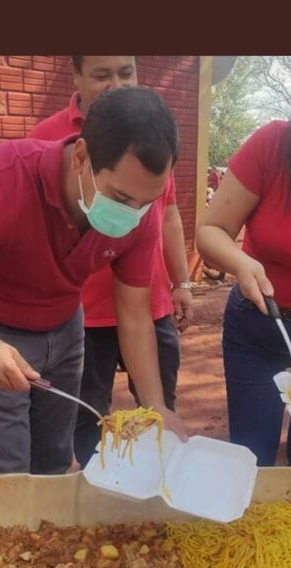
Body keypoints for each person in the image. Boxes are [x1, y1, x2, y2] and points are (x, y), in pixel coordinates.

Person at [0, 86, 187, 476]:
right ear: (81, 157)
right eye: (121, 198)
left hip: (64, 325)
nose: (134, 214)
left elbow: (133, 314)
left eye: (148, 202)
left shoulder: (141, 215)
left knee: (55, 461)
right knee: (5, 472)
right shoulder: (0, 180)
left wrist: (156, 405)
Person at [32, 56, 193, 467]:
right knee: (89, 420)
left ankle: (159, 494)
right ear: (77, 76)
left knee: (159, 411)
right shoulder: (47, 140)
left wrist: (181, 282)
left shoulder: (154, 135)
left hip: (146, 302)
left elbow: (168, 213)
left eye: (127, 72)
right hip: (84, 316)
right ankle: (98, 487)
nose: (116, 85)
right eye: (102, 75)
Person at [196, 57, 291, 467]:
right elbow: (210, 231)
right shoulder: (272, 145)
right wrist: (241, 264)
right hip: (259, 326)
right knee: (252, 457)